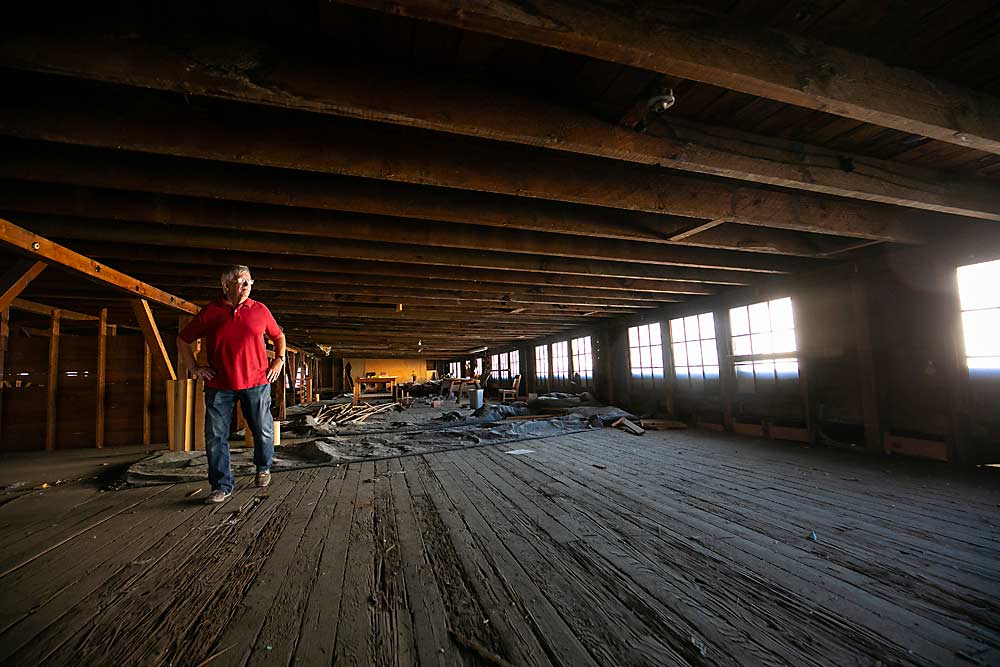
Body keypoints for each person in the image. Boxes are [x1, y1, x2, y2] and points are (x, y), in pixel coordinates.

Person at [176, 265, 286, 504]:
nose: (246, 286)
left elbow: (278, 336)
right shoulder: (211, 312)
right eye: (240, 281)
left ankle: (263, 468)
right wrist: (195, 368)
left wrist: (279, 360)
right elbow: (183, 340)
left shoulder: (260, 310)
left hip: (257, 382)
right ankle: (221, 486)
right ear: (225, 285)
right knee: (215, 436)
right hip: (219, 384)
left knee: (263, 429)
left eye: (249, 282)